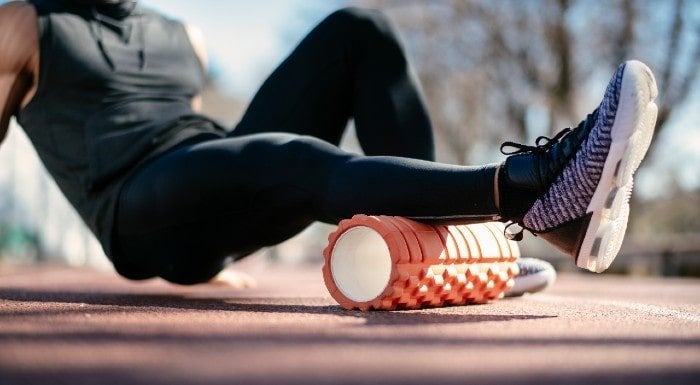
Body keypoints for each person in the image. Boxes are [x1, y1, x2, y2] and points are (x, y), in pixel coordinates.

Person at [0, 0, 657, 285]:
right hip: (134, 205)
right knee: (290, 158)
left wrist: (220, 243)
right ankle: (531, 187)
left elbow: (209, 153)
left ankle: (442, 249)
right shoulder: (26, 25)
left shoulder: (182, 36)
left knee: (359, 29)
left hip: (203, 176)